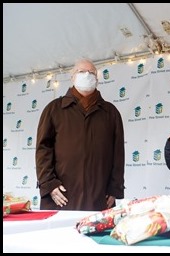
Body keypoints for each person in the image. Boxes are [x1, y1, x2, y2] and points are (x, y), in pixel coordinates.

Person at [35, 58, 125, 211]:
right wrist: (49, 184)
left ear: (97, 79)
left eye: (91, 72)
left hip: (99, 196)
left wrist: (114, 189)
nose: (87, 75)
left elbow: (118, 154)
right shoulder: (53, 109)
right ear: (72, 77)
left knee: (95, 234)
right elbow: (43, 149)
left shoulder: (111, 113)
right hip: (61, 195)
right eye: (81, 71)